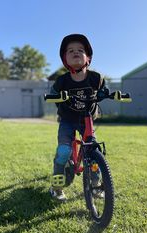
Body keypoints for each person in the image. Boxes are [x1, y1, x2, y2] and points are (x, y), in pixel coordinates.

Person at [49, 34, 109, 201]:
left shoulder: (95, 78)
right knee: (63, 152)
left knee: (94, 152)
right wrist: (57, 97)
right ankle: (57, 188)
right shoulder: (62, 80)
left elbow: (104, 90)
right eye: (71, 50)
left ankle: (96, 186)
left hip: (87, 119)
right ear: (64, 58)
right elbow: (53, 95)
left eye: (80, 50)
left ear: (88, 57)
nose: (76, 52)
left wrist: (109, 94)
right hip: (67, 119)